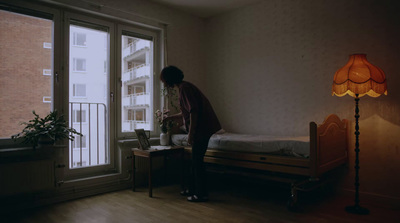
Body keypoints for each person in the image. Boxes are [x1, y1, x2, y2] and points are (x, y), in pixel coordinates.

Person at [160, 65, 221, 202]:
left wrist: (191, 133)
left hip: (202, 129)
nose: (164, 83)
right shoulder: (185, 87)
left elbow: (194, 111)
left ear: (169, 79)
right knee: (194, 162)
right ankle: (193, 190)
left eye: (164, 80)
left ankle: (201, 194)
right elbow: (186, 112)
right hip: (203, 129)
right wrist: (170, 118)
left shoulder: (185, 88)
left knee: (197, 162)